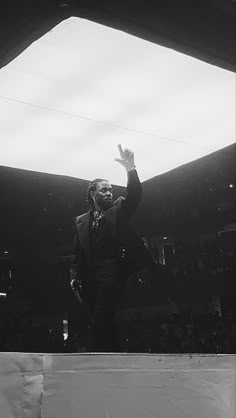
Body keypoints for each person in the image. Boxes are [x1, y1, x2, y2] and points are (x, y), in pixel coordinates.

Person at [70, 144, 155, 352]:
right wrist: (74, 276)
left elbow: (134, 195)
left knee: (102, 312)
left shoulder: (118, 209)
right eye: (104, 190)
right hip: (91, 272)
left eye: (110, 190)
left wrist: (130, 168)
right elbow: (77, 253)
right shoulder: (82, 221)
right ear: (93, 194)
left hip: (113, 267)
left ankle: (102, 354)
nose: (109, 193)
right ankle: (111, 352)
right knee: (97, 316)